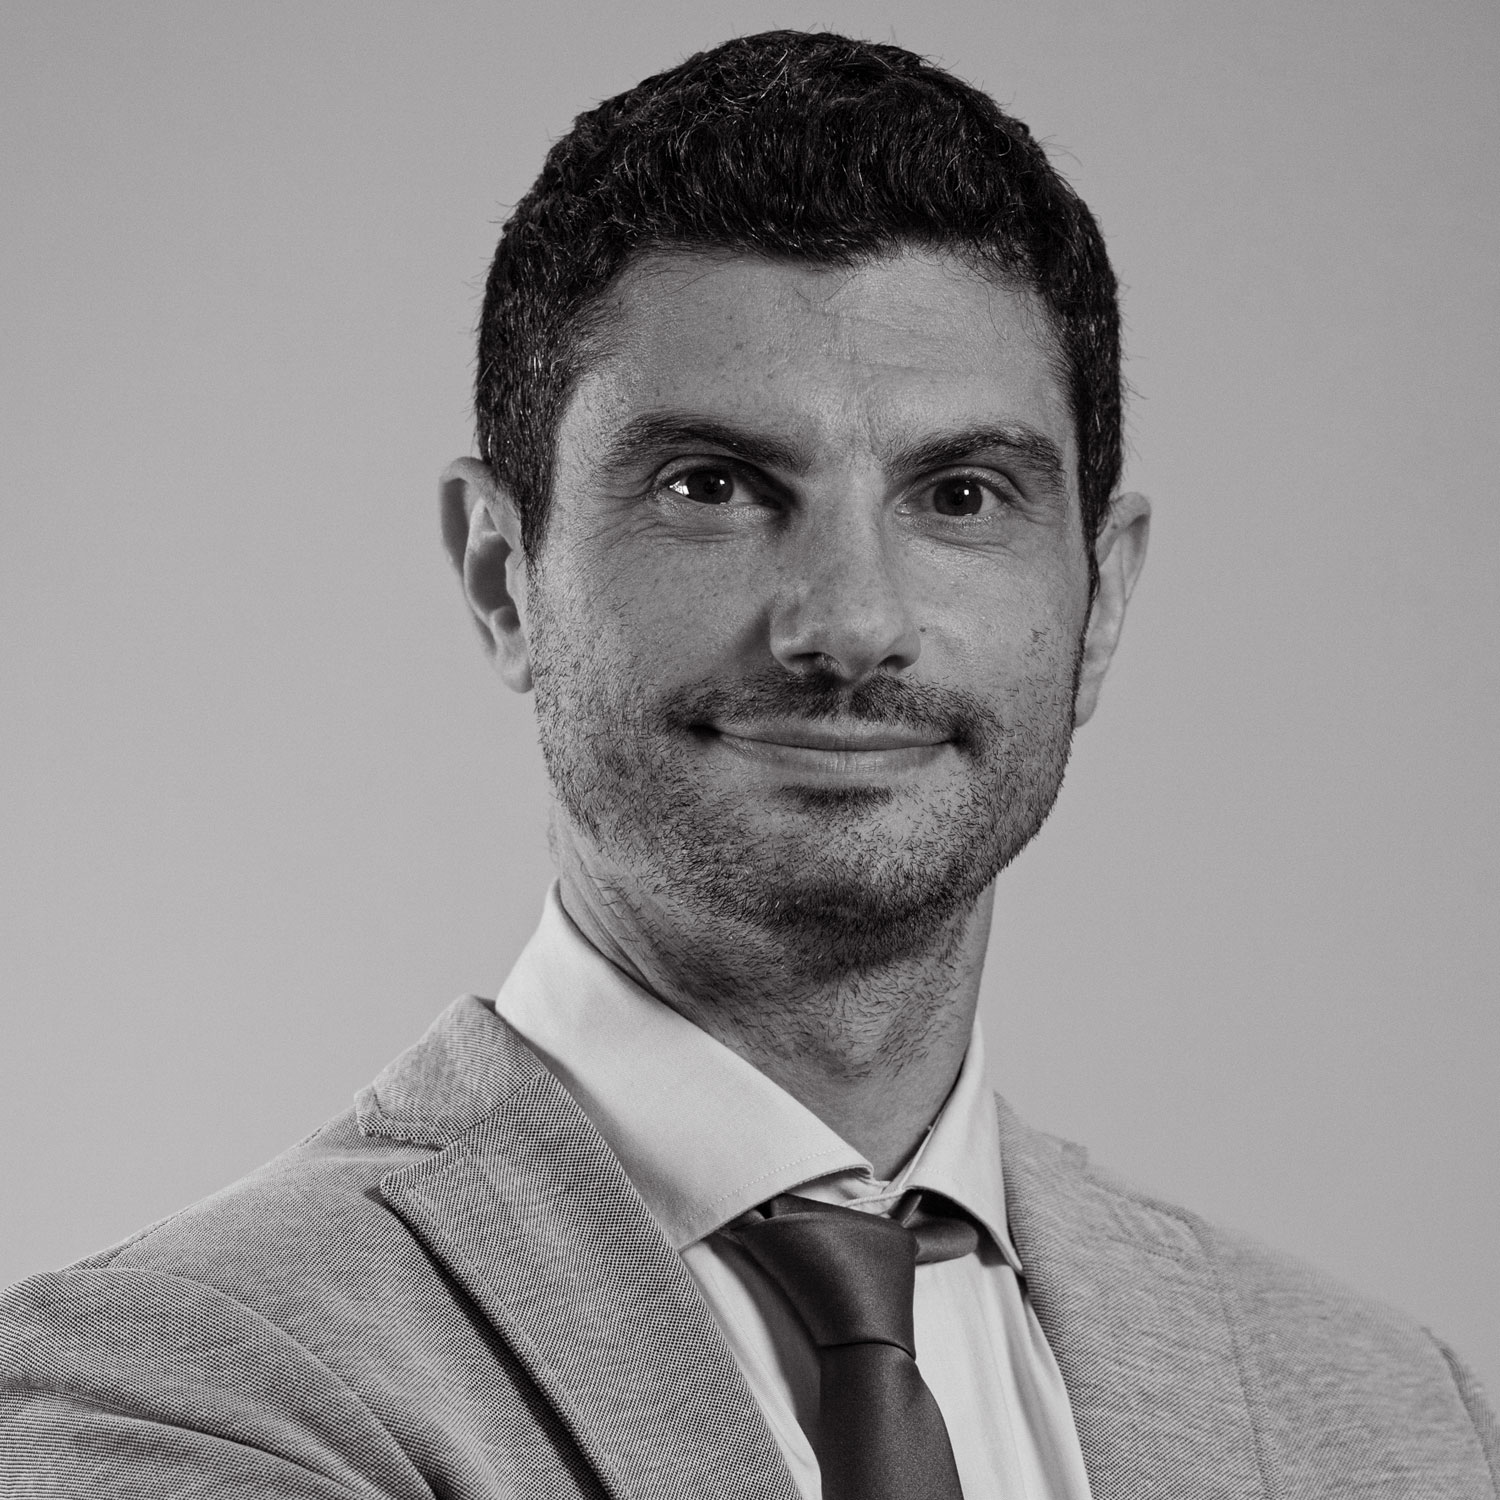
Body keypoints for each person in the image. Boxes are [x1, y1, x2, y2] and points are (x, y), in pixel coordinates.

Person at [2, 28, 1494, 1499]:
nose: (849, 624)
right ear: (503, 576)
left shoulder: (1405, 1420)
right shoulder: (183, 1392)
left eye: (961, 495)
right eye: (712, 486)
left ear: (1100, 602)